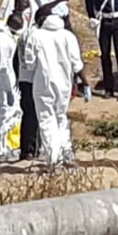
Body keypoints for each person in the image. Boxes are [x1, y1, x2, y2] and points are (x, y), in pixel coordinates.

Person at [27, 13, 91, 168]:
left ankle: (54, 159)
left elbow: (29, 63)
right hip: (64, 83)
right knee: (61, 117)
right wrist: (86, 83)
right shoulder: (68, 36)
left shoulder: (36, 36)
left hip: (43, 81)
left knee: (46, 119)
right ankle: (66, 151)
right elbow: (77, 64)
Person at [17, 0, 71, 161]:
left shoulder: (34, 34)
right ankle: (36, 151)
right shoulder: (34, 35)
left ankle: (41, 151)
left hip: (34, 79)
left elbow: (27, 62)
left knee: (41, 117)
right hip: (39, 79)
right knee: (45, 117)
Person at [0, 13, 24, 160]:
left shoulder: (5, 37)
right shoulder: (2, 41)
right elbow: (3, 68)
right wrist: (8, 89)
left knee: (12, 114)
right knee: (4, 115)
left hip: (7, 81)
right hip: (2, 83)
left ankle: (6, 145)